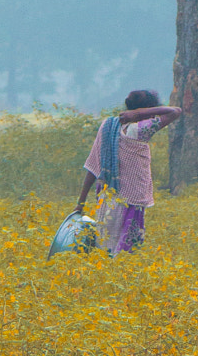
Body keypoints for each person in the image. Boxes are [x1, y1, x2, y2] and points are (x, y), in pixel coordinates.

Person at [75, 89, 183, 255]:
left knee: (104, 247)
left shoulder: (107, 126)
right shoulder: (139, 131)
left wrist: (80, 203)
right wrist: (139, 113)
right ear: (147, 109)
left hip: (107, 196)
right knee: (125, 253)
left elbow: (92, 167)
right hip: (131, 200)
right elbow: (175, 111)